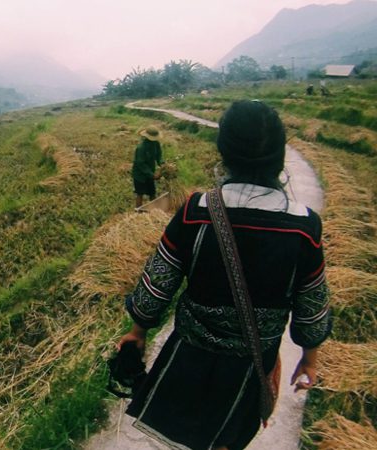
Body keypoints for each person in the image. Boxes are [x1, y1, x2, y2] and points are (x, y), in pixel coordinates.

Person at [117, 100, 331, 450]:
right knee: (228, 437)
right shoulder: (304, 226)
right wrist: (310, 356)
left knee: (191, 435)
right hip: (252, 364)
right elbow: (312, 299)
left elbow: (158, 281)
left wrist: (138, 330)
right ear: (279, 156)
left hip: (190, 356)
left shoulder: (197, 212)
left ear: (224, 153)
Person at [132, 127, 164, 208]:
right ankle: (137, 212)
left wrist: (162, 164)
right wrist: (152, 175)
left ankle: (154, 211)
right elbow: (141, 164)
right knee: (140, 193)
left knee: (152, 192)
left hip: (150, 172)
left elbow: (159, 156)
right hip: (140, 175)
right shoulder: (141, 148)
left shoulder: (156, 144)